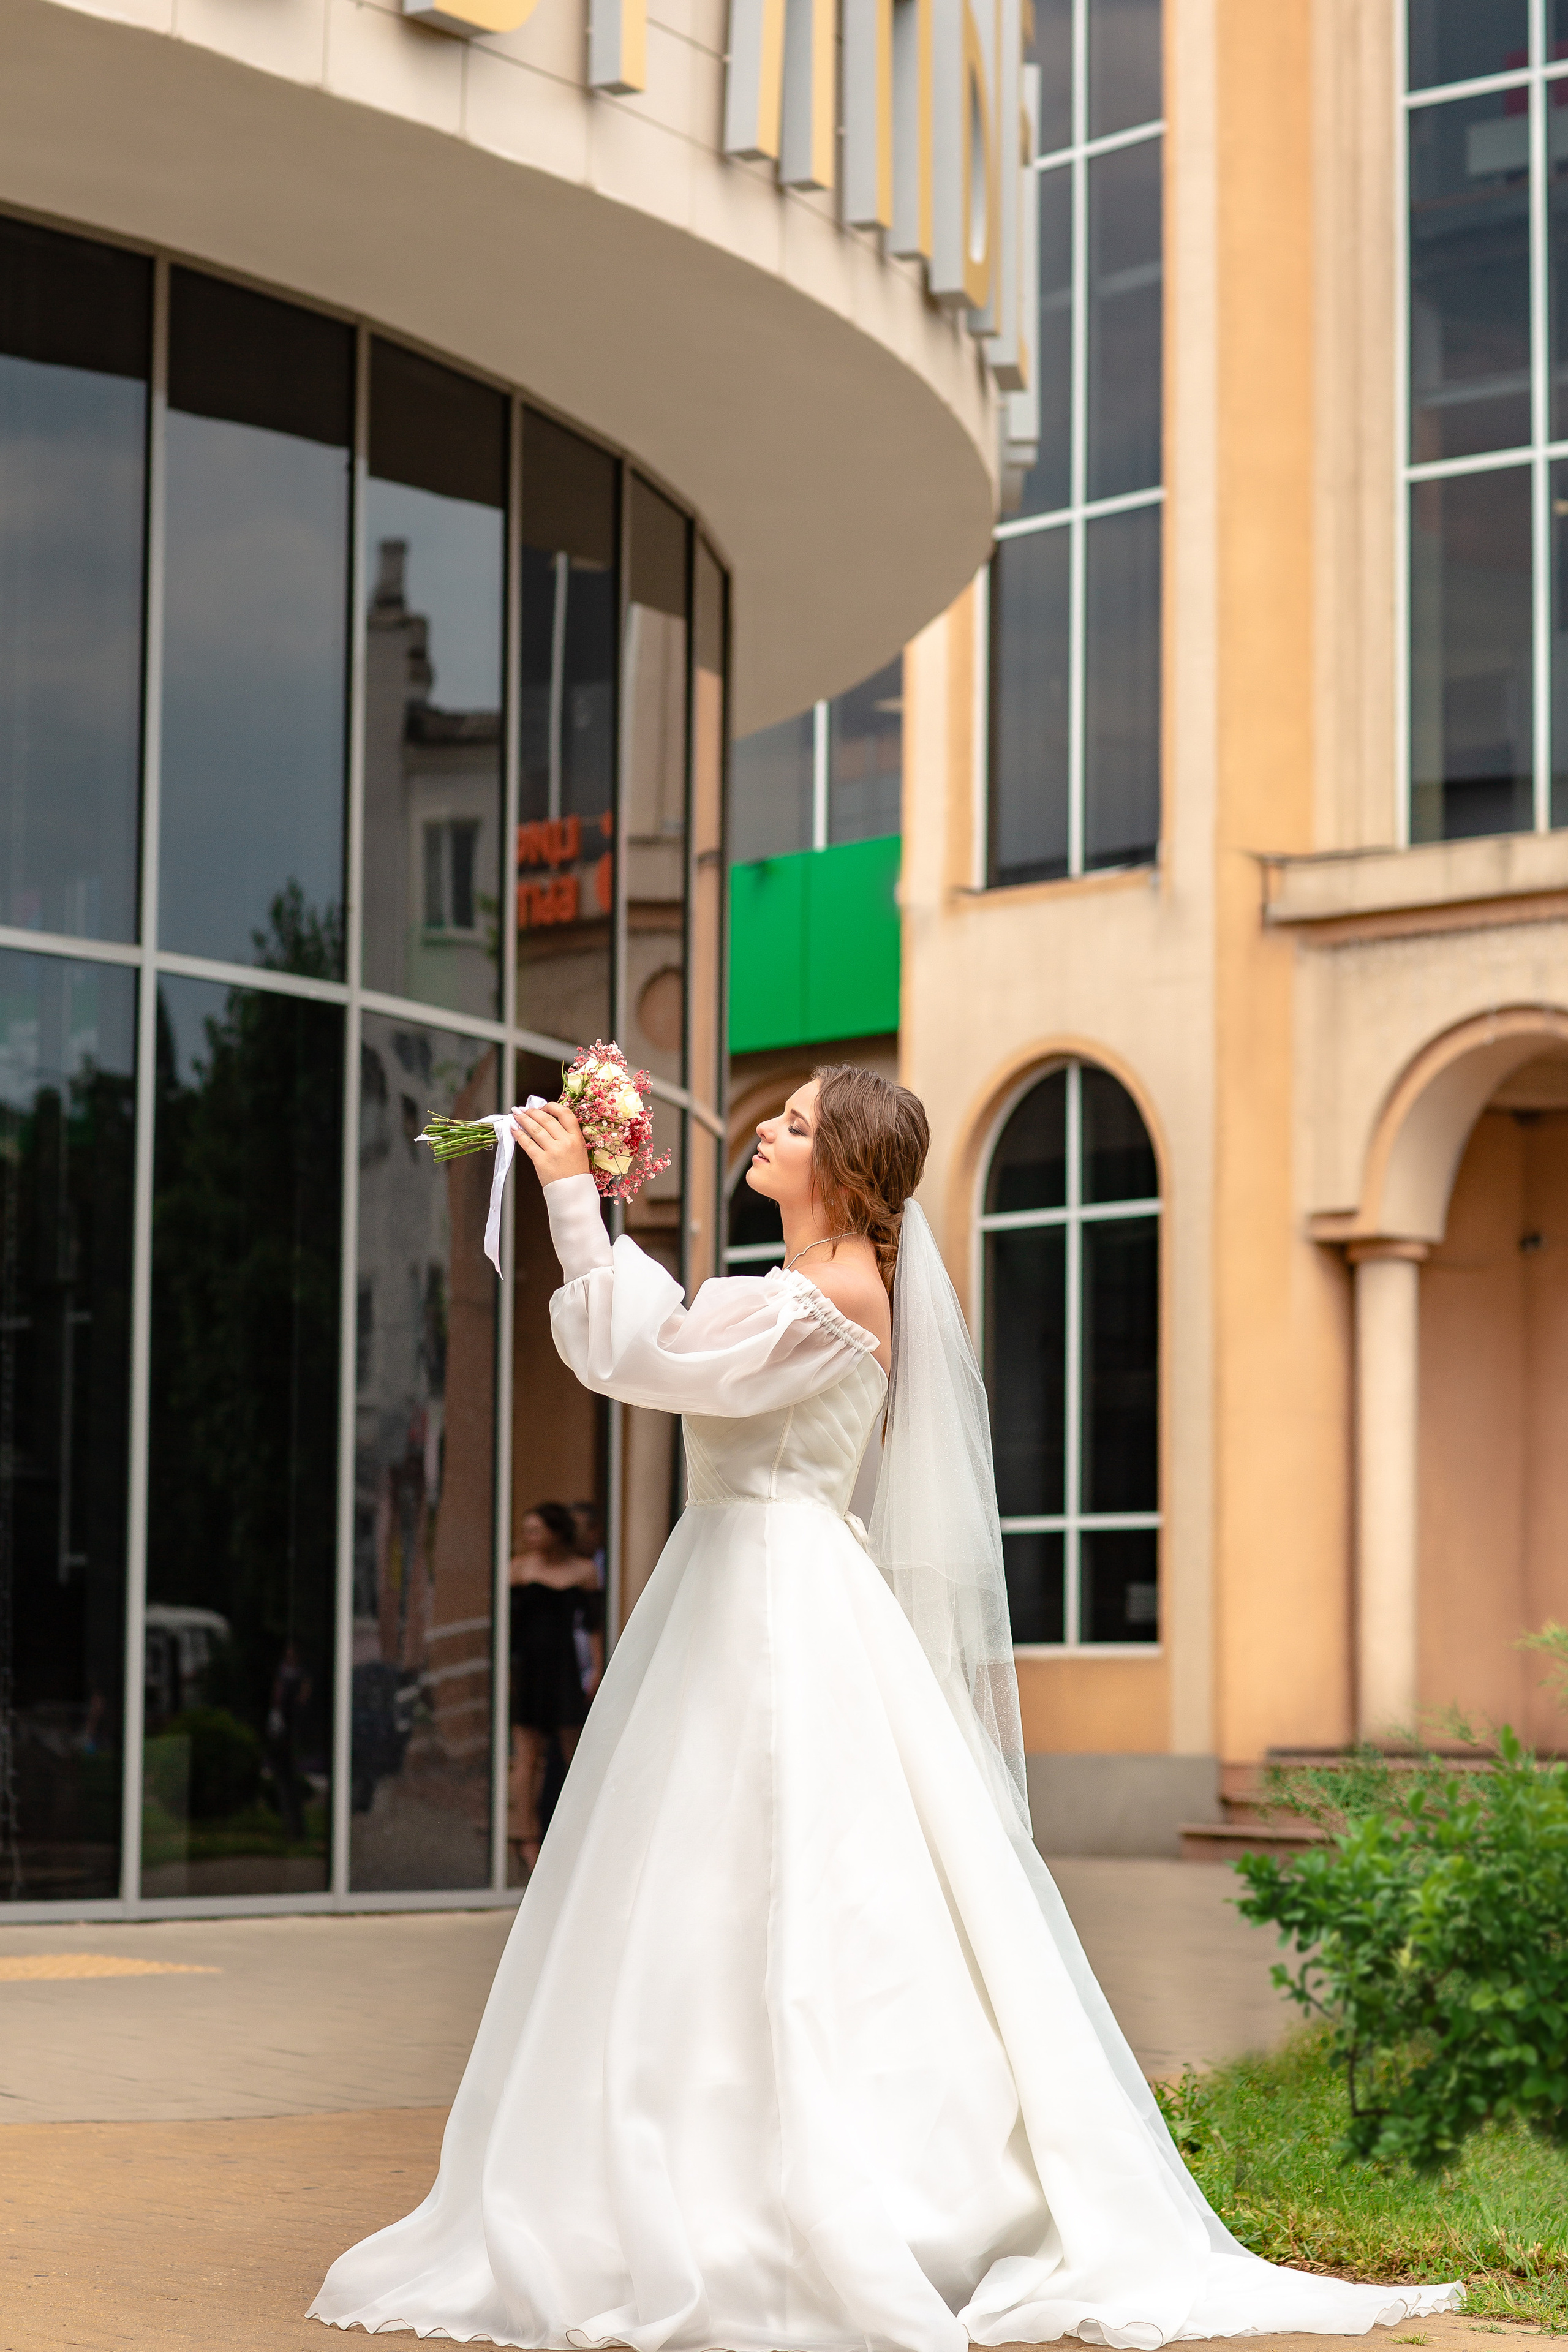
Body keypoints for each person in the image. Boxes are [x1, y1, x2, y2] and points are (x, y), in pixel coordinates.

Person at [311, 1066, 1458, 2351]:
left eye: (796, 1126)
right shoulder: (797, 1286)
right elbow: (653, 1352)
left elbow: (646, 1363)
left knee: (800, 1885)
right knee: (700, 1889)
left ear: (845, 1173)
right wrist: (594, 1196)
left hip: (780, 1597)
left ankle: (825, 2191)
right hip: (731, 1584)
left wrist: (577, 1194)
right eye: (779, 1114)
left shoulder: (840, 1291)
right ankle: (685, 2157)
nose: (766, 1131)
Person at [508, 1502, 603, 1877]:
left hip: (564, 1669)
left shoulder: (583, 1571)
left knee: (572, 1754)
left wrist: (596, 1668)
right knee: (528, 1756)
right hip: (529, 1670)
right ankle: (526, 1837)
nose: (529, 1537)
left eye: (536, 1529)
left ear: (557, 1532)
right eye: (526, 1529)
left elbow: (593, 1624)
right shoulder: (518, 1569)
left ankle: (574, 1834)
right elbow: (507, 1627)